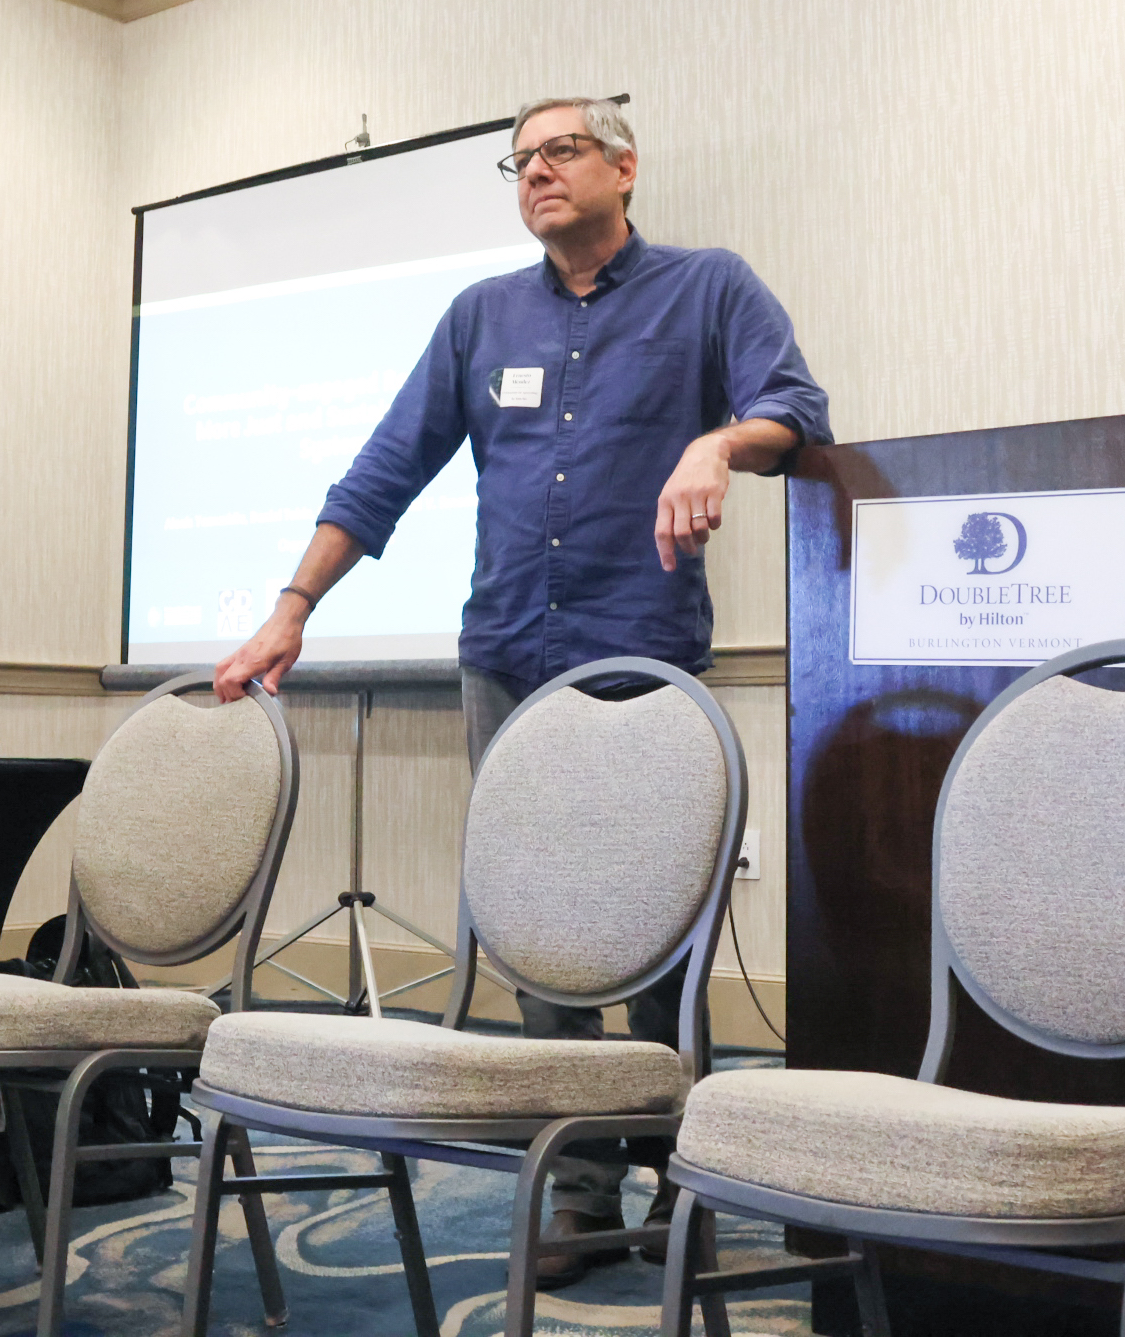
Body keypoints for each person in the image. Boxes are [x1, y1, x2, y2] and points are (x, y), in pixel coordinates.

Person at [214, 95, 832, 1285]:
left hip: (639, 657)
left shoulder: (709, 288)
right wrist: (293, 605)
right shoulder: (479, 315)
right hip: (506, 654)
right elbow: (386, 469)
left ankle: (679, 1162)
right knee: (542, 927)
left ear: (624, 166)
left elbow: (795, 414)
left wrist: (717, 445)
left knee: (654, 931)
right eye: (520, 160)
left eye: (561, 151)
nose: (536, 172)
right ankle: (586, 1183)